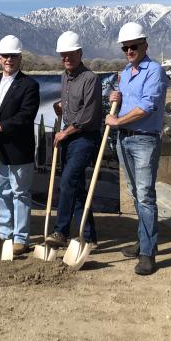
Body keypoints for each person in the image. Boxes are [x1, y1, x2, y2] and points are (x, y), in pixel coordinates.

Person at [107, 22, 168, 275]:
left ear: (145, 45)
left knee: (145, 195)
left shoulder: (155, 71)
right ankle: (143, 240)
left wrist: (118, 121)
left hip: (144, 140)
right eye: (125, 48)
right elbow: (125, 100)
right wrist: (115, 98)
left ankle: (148, 252)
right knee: (134, 192)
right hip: (124, 139)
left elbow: (147, 106)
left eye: (134, 46)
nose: (129, 51)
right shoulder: (126, 72)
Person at [0, 35, 40, 255]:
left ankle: (21, 237)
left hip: (19, 149)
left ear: (20, 58)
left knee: (20, 193)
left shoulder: (29, 85)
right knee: (2, 192)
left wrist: (1, 126)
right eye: (5, 56)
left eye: (13, 56)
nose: (9, 60)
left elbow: (26, 117)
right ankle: (5, 234)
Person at [45, 31, 102, 249]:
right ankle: (89, 236)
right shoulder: (65, 77)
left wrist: (65, 132)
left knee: (68, 180)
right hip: (69, 137)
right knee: (76, 187)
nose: (66, 58)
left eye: (70, 54)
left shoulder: (91, 79)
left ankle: (61, 231)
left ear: (80, 53)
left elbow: (87, 115)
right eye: (63, 55)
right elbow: (73, 107)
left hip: (84, 138)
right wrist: (61, 107)